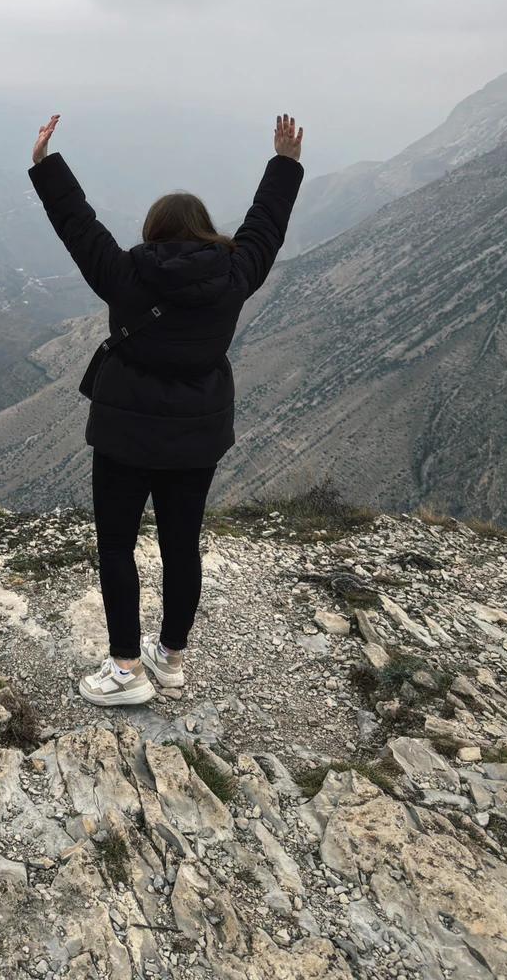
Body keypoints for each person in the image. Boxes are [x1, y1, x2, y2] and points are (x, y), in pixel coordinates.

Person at [29, 113, 304, 706]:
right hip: (197, 437)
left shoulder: (126, 274)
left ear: (154, 231)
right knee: (183, 544)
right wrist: (285, 162)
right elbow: (266, 227)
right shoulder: (234, 275)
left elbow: (79, 226)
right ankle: (171, 660)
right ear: (205, 232)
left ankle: (126, 668)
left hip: (125, 437)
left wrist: (46, 166)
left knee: (117, 547)